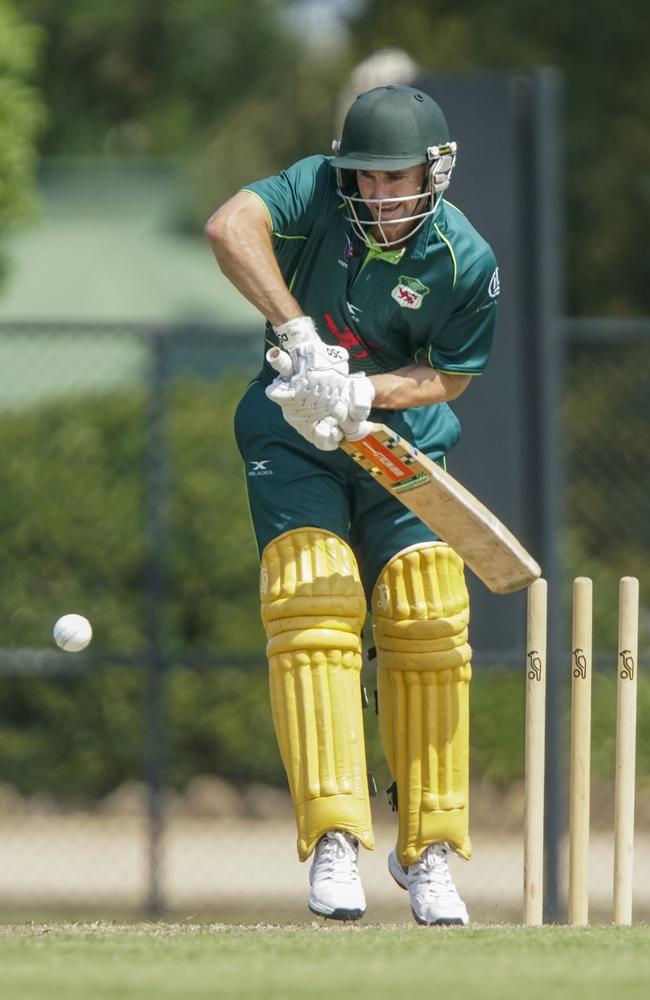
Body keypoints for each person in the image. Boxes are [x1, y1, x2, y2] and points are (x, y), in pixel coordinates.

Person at [205, 84, 499, 926]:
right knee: (315, 595)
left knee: (427, 611)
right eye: (364, 178)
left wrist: (367, 390)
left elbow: (451, 375)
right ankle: (337, 837)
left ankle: (430, 851)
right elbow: (231, 226)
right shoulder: (314, 189)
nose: (377, 195)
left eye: (394, 177)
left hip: (397, 443)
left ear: (434, 171)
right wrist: (299, 337)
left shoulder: (465, 258)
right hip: (291, 428)